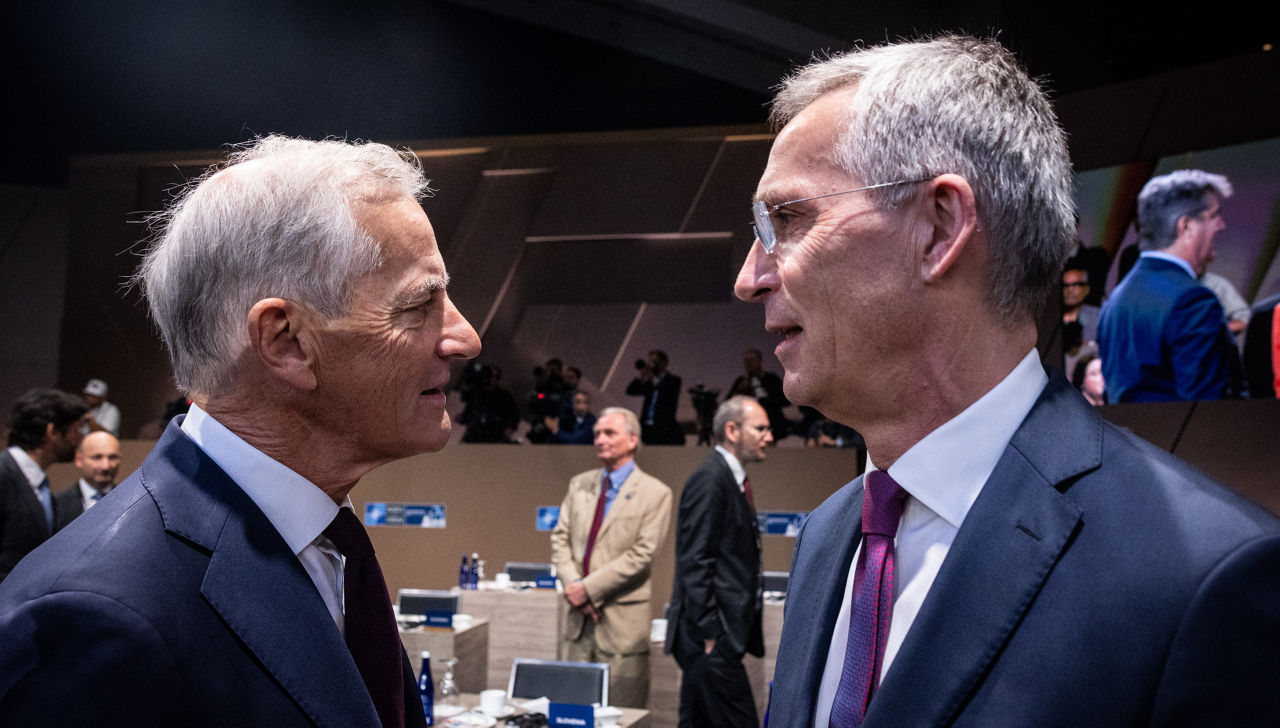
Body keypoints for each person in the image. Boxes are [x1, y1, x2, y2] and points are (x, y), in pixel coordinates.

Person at [734, 36, 1280, 726]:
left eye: (787, 219)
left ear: (940, 227)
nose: (749, 278)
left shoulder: (1204, 580)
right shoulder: (828, 537)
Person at [0, 135, 481, 727]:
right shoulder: (96, 617)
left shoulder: (321, 543)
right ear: (286, 342)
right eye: (419, 304)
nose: (465, 338)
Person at [549, 407, 672, 708]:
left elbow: (642, 555)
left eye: (609, 433)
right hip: (576, 624)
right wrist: (574, 586)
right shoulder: (579, 484)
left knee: (622, 714)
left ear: (632, 440)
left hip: (621, 628)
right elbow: (559, 539)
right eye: (597, 434)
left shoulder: (655, 493)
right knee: (570, 710)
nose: (600, 439)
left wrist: (587, 590)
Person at [665, 396, 771, 727]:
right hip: (710, 639)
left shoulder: (728, 478)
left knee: (696, 721)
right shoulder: (711, 478)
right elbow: (694, 560)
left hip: (711, 639)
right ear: (731, 430)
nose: (769, 436)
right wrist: (711, 633)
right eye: (761, 428)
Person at [1097, 170, 1240, 402]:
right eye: (1214, 215)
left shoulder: (1115, 301)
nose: (1221, 226)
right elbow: (1206, 412)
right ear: (1187, 226)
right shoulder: (1192, 300)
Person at [0, 389, 87, 584]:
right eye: (75, 429)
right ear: (52, 431)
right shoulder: (3, 474)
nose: (79, 439)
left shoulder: (38, 482)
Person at [53, 430, 121, 531]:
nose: (105, 466)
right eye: (97, 457)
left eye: (112, 457)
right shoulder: (57, 505)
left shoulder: (132, 502)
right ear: (79, 459)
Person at [727, 347, 790, 439]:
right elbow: (727, 404)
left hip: (770, 425)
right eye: (746, 360)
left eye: (753, 360)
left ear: (759, 361)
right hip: (746, 427)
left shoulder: (770, 378)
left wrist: (767, 397)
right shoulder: (741, 381)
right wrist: (739, 391)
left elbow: (785, 401)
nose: (749, 363)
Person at [626, 349, 685, 445]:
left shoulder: (674, 380)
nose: (651, 365)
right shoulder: (649, 381)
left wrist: (653, 378)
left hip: (664, 429)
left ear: (663, 363)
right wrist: (640, 376)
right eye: (650, 361)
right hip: (647, 427)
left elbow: (666, 394)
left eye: (654, 361)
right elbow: (631, 391)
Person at [1060, 265, 1099, 343]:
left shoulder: (1098, 316)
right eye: (1065, 285)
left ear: (1086, 289)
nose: (1070, 290)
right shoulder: (1053, 318)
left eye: (1075, 284)